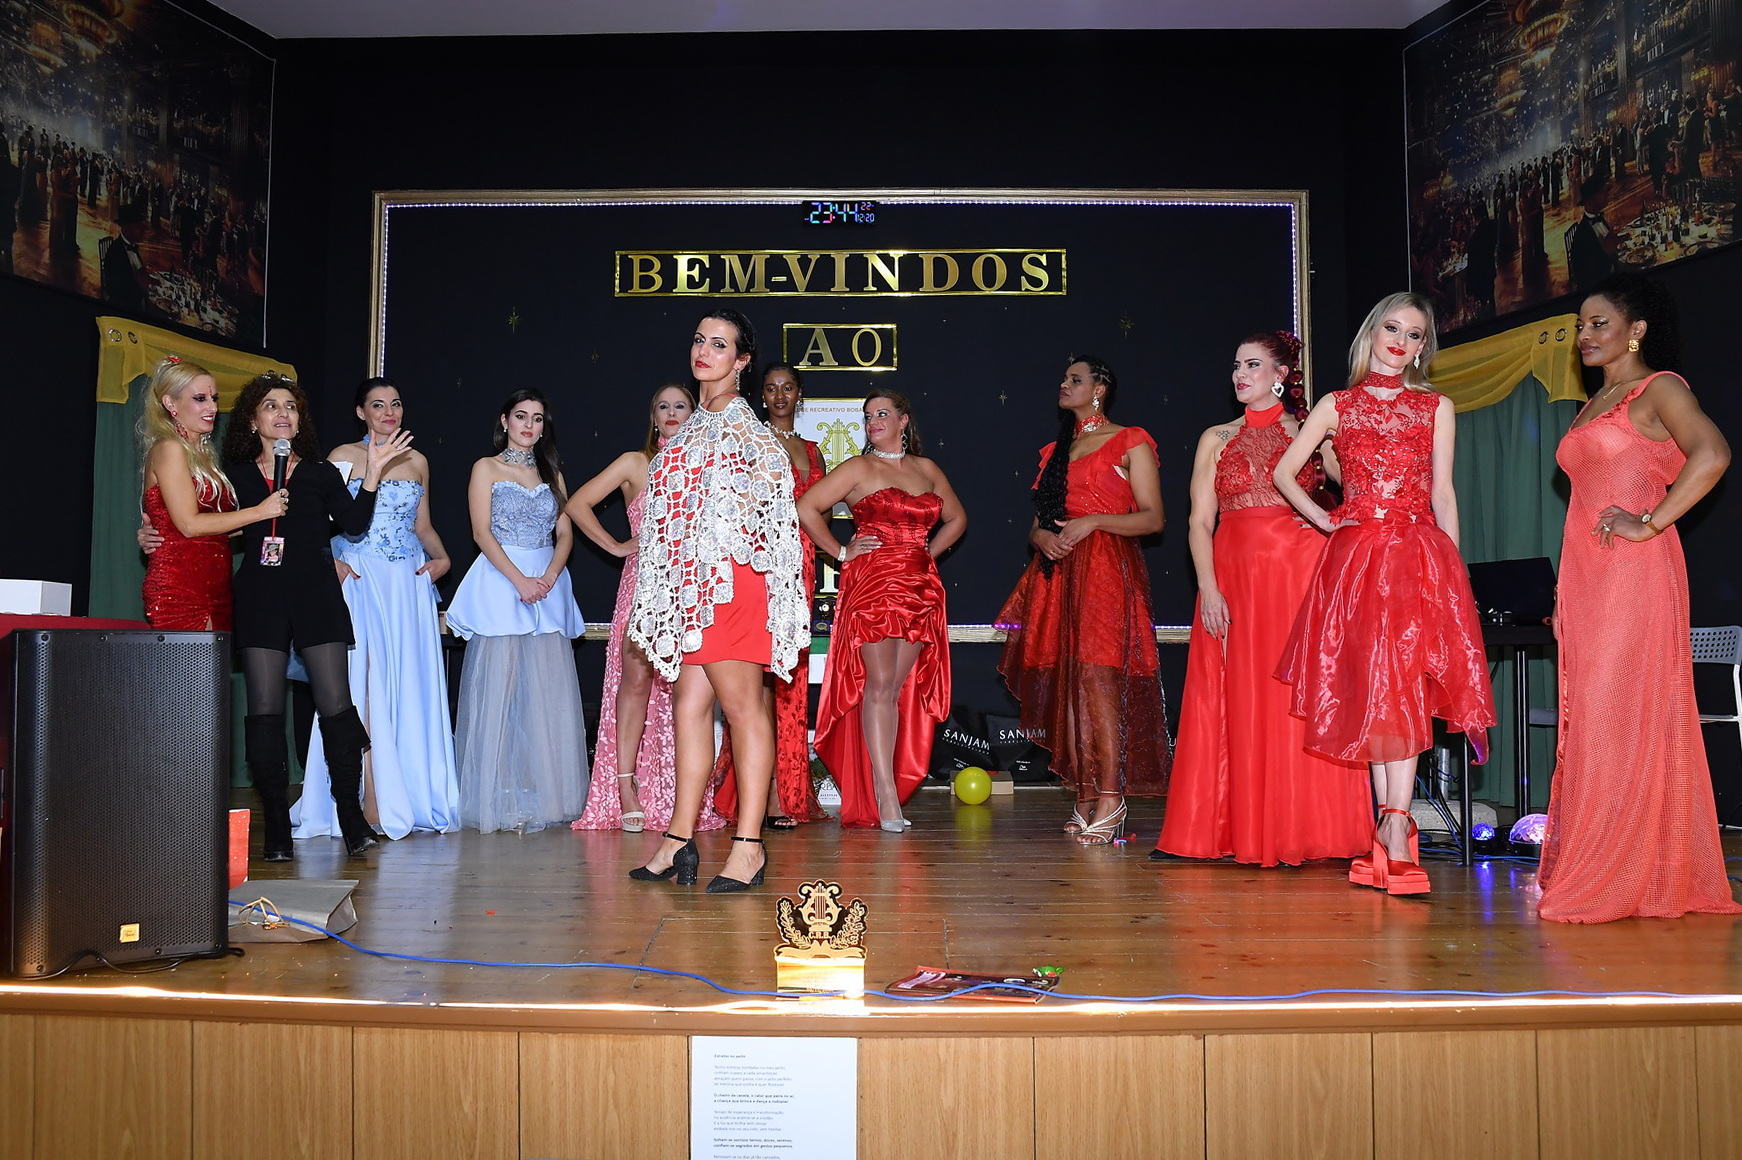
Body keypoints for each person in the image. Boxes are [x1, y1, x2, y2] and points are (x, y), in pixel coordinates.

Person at [1272, 293, 1495, 897]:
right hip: (1358, 559)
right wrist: (1328, 521)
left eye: (1414, 334)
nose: (1400, 341)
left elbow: (1443, 492)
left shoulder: (1436, 406)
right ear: (1372, 333)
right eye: (1392, 328)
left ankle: (1393, 827)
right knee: (1375, 688)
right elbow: (1284, 473)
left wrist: (1454, 571)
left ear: (1423, 347)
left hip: (1419, 558)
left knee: (1405, 685)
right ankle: (1392, 829)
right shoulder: (1336, 404)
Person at [1539, 275, 1740, 923]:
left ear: (1638, 330)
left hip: (1635, 573)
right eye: (1580, 325)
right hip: (1587, 581)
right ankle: (1612, 864)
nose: (1584, 334)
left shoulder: (1660, 389)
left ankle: (1619, 873)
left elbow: (1712, 454)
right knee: (1589, 715)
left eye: (1599, 322)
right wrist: (1566, 587)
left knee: (1615, 713)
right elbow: (1585, 502)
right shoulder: (1593, 404)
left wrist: (1650, 522)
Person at [1155, 332, 1372, 867]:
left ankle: (1307, 828)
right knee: (1230, 696)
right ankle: (1223, 830)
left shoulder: (1311, 431)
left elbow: (1359, 488)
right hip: (1233, 577)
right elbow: (1199, 522)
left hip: (1299, 574)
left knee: (1294, 696)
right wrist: (1207, 586)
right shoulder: (1217, 437)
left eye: (1252, 365)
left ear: (1281, 375)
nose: (1239, 375)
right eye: (1236, 365)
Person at [626, 308, 807, 893]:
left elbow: (774, 494)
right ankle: (678, 839)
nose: (704, 351)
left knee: (744, 707)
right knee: (689, 705)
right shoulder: (698, 424)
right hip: (697, 587)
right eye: (700, 340)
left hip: (732, 583)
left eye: (720, 344)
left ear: (742, 360)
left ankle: (749, 845)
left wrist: (729, 545)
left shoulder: (741, 425)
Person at [223, 373, 411, 861]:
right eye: (271, 406)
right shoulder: (235, 474)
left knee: (336, 704)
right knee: (264, 710)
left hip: (316, 594)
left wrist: (372, 473)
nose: (283, 413)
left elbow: (355, 524)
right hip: (261, 595)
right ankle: (276, 825)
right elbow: (208, 525)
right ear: (252, 419)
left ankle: (349, 813)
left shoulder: (320, 472)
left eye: (291, 406)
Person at [996, 356, 1172, 844]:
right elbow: (1039, 523)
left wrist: (1094, 521)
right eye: (1063, 378)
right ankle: (1085, 791)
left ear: (1100, 388)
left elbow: (1153, 518)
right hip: (1059, 574)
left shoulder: (1129, 439)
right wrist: (1040, 538)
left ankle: (1112, 795)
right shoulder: (1056, 450)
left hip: (1106, 569)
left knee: (1099, 679)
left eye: (1075, 379)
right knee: (1070, 681)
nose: (1064, 384)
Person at [293, 378, 460, 842]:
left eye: (396, 404)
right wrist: (334, 563)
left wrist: (443, 558)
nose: (389, 412)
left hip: (407, 583)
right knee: (362, 684)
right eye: (378, 405)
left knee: (405, 683)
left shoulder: (417, 461)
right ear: (360, 412)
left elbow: (423, 526)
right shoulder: (343, 457)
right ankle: (367, 795)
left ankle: (405, 789)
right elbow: (314, 523)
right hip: (361, 579)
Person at [799, 392, 965, 831]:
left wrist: (926, 555)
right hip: (873, 584)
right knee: (878, 686)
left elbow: (957, 519)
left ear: (903, 421)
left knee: (893, 689)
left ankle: (883, 787)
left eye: (882, 414)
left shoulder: (927, 469)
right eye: (868, 416)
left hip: (919, 589)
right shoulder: (858, 467)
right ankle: (886, 795)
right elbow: (805, 508)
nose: (873, 421)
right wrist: (840, 552)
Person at [569, 383, 728, 834]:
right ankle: (626, 787)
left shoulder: (707, 461)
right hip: (643, 585)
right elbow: (577, 504)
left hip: (692, 586)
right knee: (636, 681)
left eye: (681, 406)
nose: (672, 413)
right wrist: (617, 546)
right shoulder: (635, 462)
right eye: (664, 406)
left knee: (690, 690)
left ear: (696, 414)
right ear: (653, 417)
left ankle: (682, 793)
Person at [446, 388, 589, 834]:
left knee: (548, 694)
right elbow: (481, 532)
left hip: (546, 584)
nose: (529, 425)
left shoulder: (553, 474)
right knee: (499, 690)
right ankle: (492, 797)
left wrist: (548, 576)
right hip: (502, 580)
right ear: (505, 421)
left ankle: (546, 796)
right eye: (522, 416)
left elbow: (565, 534)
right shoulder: (486, 468)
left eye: (538, 418)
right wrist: (520, 581)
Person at [715, 363, 829, 829]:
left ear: (799, 395)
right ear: (760, 395)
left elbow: (821, 512)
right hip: (762, 563)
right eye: (770, 388)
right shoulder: (751, 439)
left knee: (789, 679)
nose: (779, 396)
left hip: (803, 567)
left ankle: (784, 789)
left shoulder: (813, 451)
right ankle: (757, 794)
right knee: (756, 675)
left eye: (787, 388)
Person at [138, 357, 281, 630]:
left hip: (216, 586)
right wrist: (259, 512)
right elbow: (190, 525)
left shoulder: (204, 456)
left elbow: (217, 529)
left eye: (214, 398)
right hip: (180, 587)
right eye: (200, 399)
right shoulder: (170, 448)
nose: (213, 407)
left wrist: (273, 516)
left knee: (214, 659)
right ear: (170, 403)